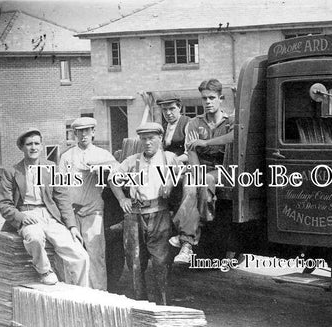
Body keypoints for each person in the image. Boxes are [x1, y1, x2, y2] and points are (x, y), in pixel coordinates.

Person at [0, 128, 89, 286]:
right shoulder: (11, 171)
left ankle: (82, 293)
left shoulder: (50, 167)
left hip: (50, 216)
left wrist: (72, 226)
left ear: (41, 146)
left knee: (80, 256)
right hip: (27, 214)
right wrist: (21, 217)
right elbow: (4, 203)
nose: (33, 147)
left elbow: (62, 198)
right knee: (34, 237)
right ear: (22, 147)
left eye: (36, 143)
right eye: (29, 144)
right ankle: (44, 271)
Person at [109, 122, 177, 305]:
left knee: (161, 261)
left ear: (160, 138)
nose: (147, 143)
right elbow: (112, 179)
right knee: (135, 261)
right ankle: (141, 302)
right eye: (144, 139)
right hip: (134, 215)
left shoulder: (169, 158)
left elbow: (183, 174)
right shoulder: (132, 161)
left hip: (159, 213)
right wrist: (122, 199)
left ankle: (164, 304)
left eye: (151, 138)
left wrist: (170, 182)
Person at [172, 78, 234, 264]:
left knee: (206, 180)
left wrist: (206, 142)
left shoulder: (229, 121)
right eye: (204, 98)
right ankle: (187, 244)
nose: (207, 102)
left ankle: (190, 231)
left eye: (212, 97)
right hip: (199, 167)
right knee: (191, 185)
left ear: (221, 98)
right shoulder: (194, 123)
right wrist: (196, 172)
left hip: (223, 170)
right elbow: (191, 151)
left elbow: (233, 137)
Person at [59, 117, 117, 290]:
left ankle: (99, 294)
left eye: (87, 130)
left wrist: (101, 166)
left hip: (93, 210)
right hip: (72, 211)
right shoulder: (67, 156)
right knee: (73, 254)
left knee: (96, 254)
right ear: (75, 133)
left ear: (93, 132)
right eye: (79, 131)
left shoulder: (103, 154)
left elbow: (117, 172)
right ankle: (77, 294)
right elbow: (61, 187)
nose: (83, 134)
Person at [157, 94, 190, 160]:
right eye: (164, 109)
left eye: (172, 109)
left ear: (179, 107)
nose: (168, 113)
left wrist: (170, 162)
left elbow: (190, 154)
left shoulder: (188, 123)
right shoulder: (164, 127)